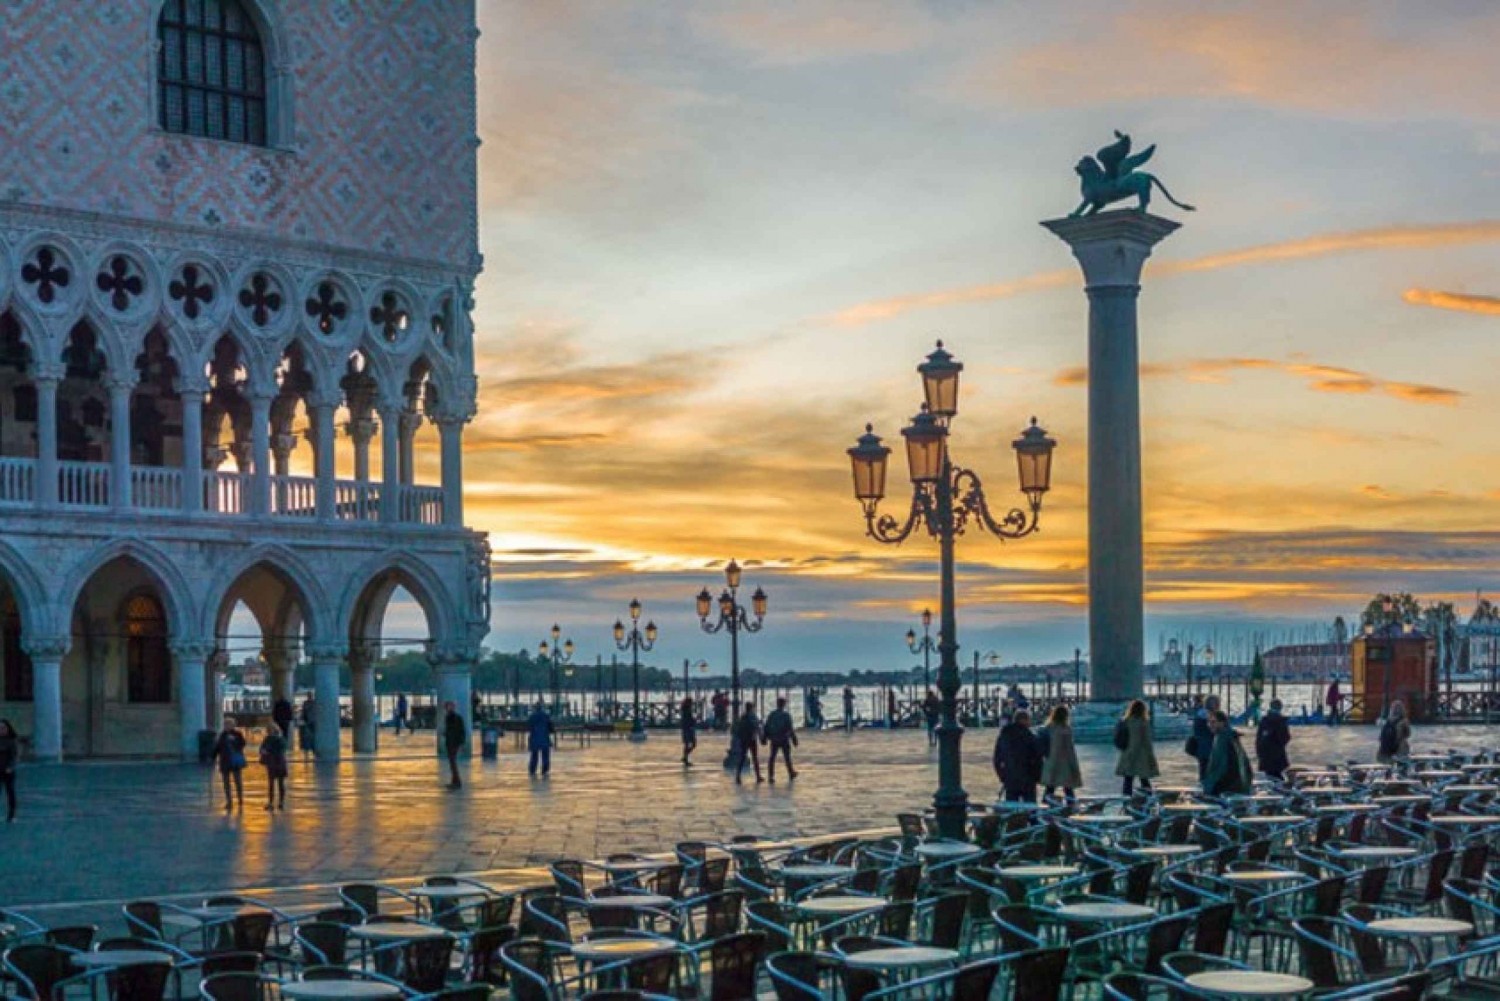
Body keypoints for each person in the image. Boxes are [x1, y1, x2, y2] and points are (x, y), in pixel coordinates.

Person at [994, 709, 1043, 803]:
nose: (1030, 722)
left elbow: (997, 759)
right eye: (1029, 719)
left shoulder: (1004, 735)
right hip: (1028, 778)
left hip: (1010, 777)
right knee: (1030, 808)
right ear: (1023, 720)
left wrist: (1002, 776)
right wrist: (1037, 777)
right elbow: (1038, 758)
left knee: (1012, 809)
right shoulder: (1030, 736)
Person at [1114, 699, 1158, 797]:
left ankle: (1126, 800)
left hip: (1128, 753)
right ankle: (1148, 799)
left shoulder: (1125, 721)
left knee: (1128, 780)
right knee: (1144, 779)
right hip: (1141, 755)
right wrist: (1151, 757)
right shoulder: (1144, 723)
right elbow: (1147, 742)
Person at [1204, 710, 1252, 796]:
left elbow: (1220, 766)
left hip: (1228, 786)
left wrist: (1211, 786)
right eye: (1208, 722)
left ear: (1222, 723)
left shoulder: (1223, 738)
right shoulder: (1228, 736)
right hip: (1236, 784)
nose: (1209, 725)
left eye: (1213, 722)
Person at [1040, 704, 1082, 802]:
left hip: (1051, 762)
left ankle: (1045, 807)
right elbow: (1069, 749)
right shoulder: (1066, 729)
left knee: (1050, 789)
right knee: (1068, 789)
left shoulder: (1048, 728)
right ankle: (1071, 808)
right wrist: (1074, 766)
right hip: (1064, 763)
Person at [213, 717, 247, 810]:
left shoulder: (237, 734)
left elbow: (243, 744)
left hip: (235, 761)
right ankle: (229, 801)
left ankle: (240, 799)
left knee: (238, 781)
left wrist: (234, 741)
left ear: (233, 725)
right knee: (226, 782)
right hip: (224, 761)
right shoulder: (222, 735)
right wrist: (213, 757)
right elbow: (218, 747)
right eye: (225, 724)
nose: (226, 726)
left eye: (228, 724)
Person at [1255, 699, 1292, 781]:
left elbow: (1258, 739)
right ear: (1280, 707)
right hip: (1277, 755)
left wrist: (1259, 753)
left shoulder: (1264, 721)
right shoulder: (1280, 721)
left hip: (1265, 755)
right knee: (1278, 777)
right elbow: (1285, 738)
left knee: (1269, 776)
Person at [763, 697, 799, 782]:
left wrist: (765, 737)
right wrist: (794, 739)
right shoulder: (786, 715)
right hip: (784, 738)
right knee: (787, 757)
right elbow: (790, 728)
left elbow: (767, 726)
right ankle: (791, 773)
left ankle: (771, 776)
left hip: (774, 739)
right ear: (784, 704)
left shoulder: (772, 715)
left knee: (772, 757)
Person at [1188, 695, 1219, 782]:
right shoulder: (1210, 717)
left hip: (1200, 747)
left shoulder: (1199, 714)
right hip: (1209, 747)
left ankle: (1203, 788)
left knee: (1203, 771)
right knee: (1210, 771)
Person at [259, 724, 289, 811]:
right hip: (277, 762)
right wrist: (264, 750)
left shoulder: (274, 739)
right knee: (275, 783)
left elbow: (264, 749)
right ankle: (277, 802)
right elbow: (262, 749)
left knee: (277, 783)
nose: (269, 731)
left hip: (275, 762)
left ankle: (277, 802)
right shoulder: (277, 738)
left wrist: (266, 751)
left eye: (270, 729)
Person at [734, 701, 762, 784]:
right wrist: (761, 737)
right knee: (755, 757)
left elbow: (738, 729)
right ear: (752, 707)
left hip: (743, 739)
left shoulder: (743, 717)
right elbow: (756, 727)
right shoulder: (753, 716)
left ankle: (738, 775)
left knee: (742, 757)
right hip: (752, 739)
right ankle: (758, 776)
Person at [528, 701, 555, 777]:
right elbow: (551, 727)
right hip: (544, 737)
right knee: (545, 754)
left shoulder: (532, 716)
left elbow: (530, 726)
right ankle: (545, 769)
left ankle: (532, 769)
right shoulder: (546, 716)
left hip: (534, 738)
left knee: (534, 755)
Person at [442, 701, 466, 789]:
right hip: (451, 742)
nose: (448, 708)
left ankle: (457, 781)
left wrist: (461, 743)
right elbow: (459, 730)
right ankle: (454, 781)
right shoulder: (451, 717)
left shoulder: (453, 717)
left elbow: (459, 731)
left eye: (449, 706)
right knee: (452, 763)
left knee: (453, 763)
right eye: (447, 707)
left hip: (453, 742)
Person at [0, 719, 18, 822]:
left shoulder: (11, 741)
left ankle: (11, 815)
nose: (1, 730)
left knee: (10, 792)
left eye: (3, 728)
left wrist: (10, 767)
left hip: (8, 771)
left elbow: (13, 756)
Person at [680, 695, 697, 766]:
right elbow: (689, 720)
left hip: (686, 728)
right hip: (688, 729)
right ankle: (685, 758)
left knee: (688, 744)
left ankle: (685, 757)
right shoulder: (687, 710)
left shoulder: (685, 710)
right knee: (692, 744)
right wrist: (694, 720)